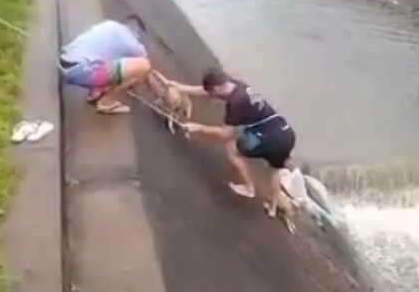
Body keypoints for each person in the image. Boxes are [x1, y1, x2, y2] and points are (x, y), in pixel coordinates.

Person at [170, 68, 296, 217]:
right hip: (286, 133)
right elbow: (204, 90)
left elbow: (225, 133)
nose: (211, 97)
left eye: (212, 94)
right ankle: (273, 209)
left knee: (232, 148)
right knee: (275, 170)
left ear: (217, 88)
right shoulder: (236, 85)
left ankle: (249, 188)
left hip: (268, 137)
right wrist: (181, 87)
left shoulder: (235, 104)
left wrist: (198, 127)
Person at [59, 14, 169, 114]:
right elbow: (146, 67)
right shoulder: (130, 39)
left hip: (66, 64)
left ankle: (95, 93)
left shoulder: (109, 25)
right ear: (137, 32)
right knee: (144, 66)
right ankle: (105, 102)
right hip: (80, 70)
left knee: (113, 66)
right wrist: (164, 92)